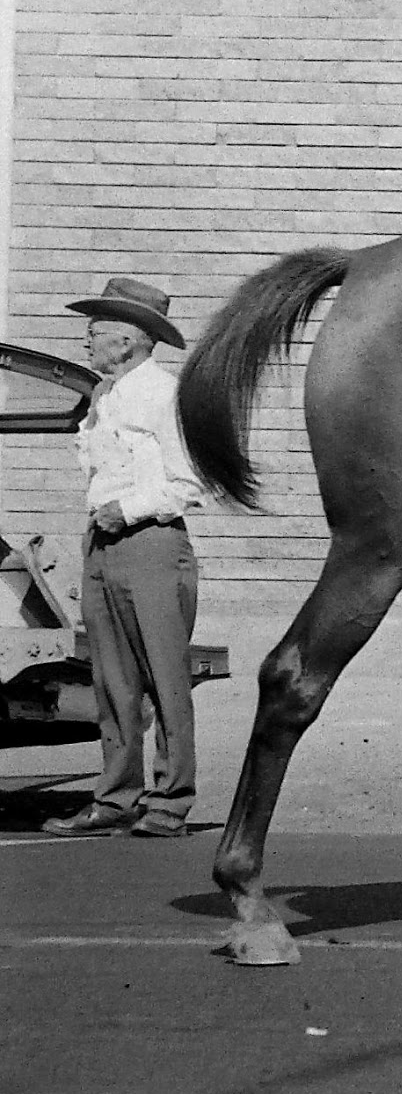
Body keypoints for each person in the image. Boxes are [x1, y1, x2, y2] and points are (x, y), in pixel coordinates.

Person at [43, 278, 204, 839]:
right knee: (112, 682)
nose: (88, 339)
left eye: (99, 330)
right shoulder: (104, 396)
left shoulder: (165, 393)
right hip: (102, 545)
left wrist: (128, 509)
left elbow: (189, 483)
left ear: (132, 341)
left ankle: (170, 801)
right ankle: (115, 798)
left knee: (165, 678)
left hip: (152, 546)